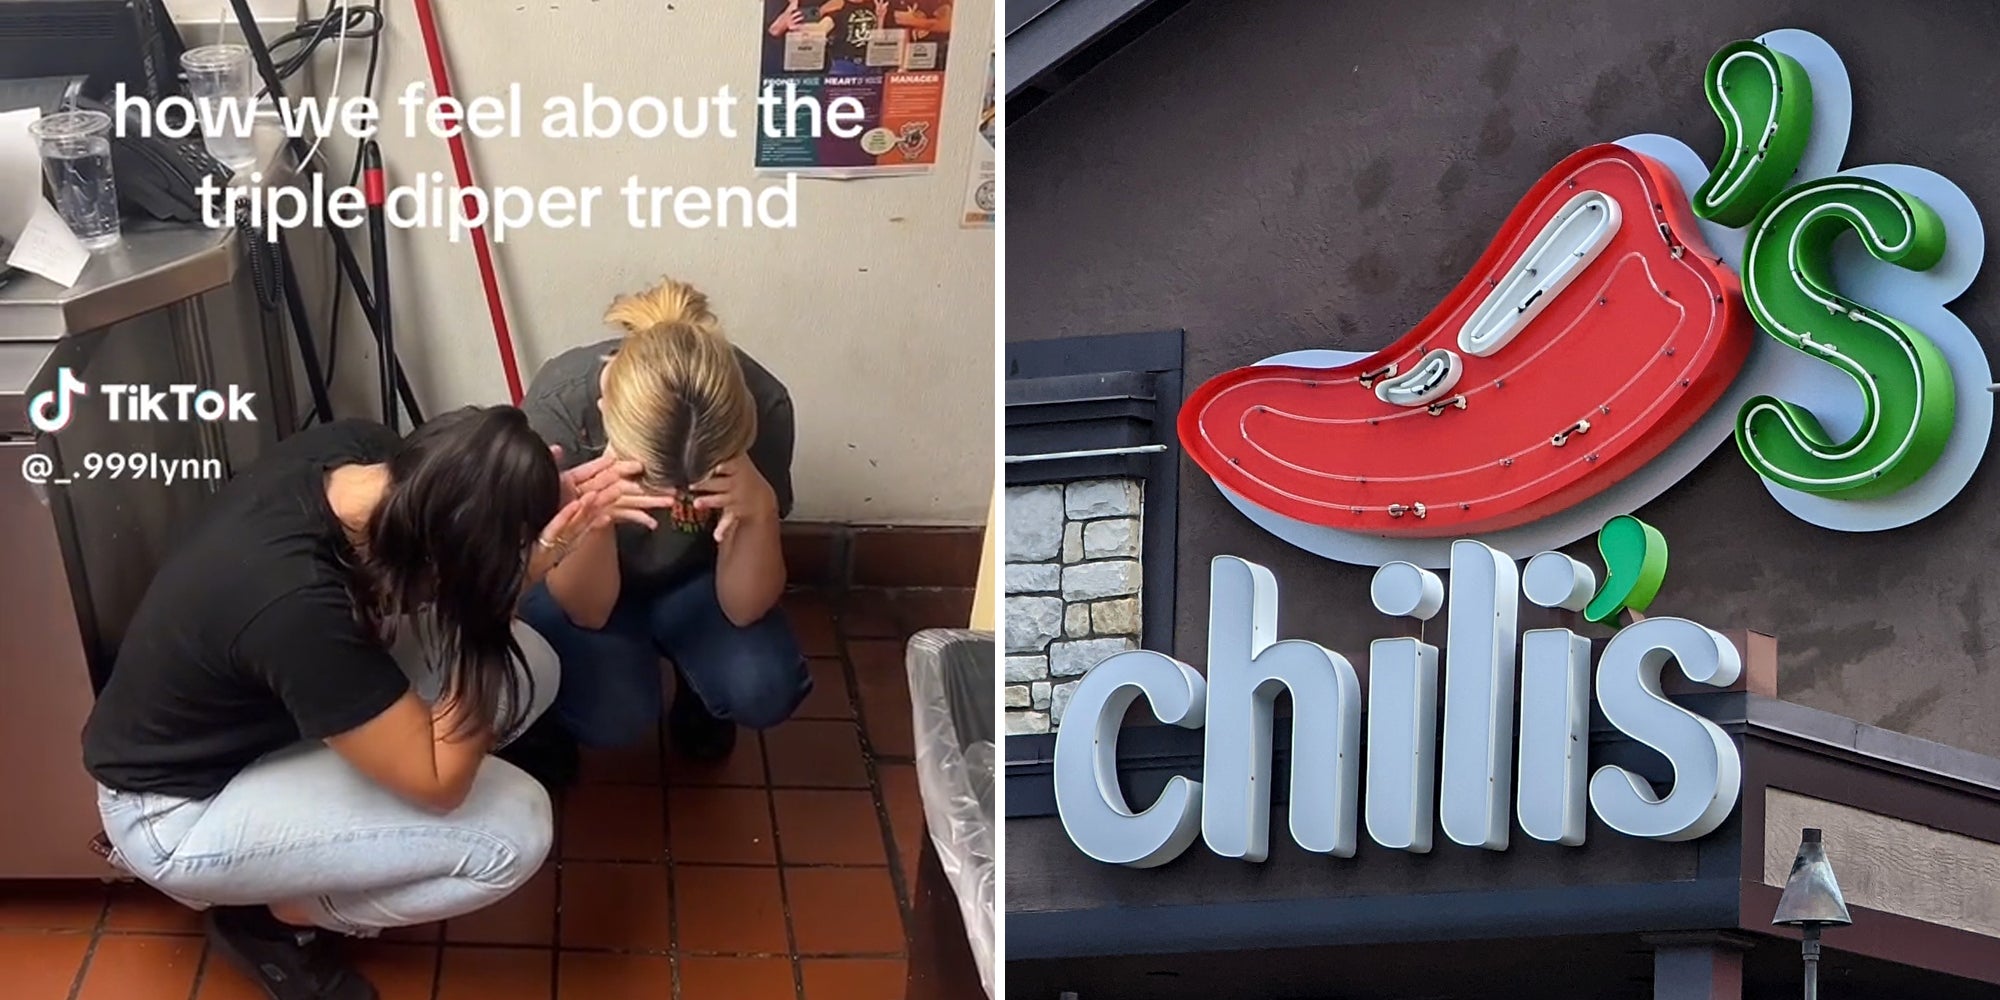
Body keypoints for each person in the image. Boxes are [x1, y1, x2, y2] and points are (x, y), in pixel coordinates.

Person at [82, 407, 662, 1000]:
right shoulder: (295, 605)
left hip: (267, 718)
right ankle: (273, 919)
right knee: (513, 833)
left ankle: (343, 817)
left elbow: (411, 581)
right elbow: (439, 783)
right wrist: (495, 598)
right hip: (180, 808)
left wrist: (521, 506)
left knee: (531, 669)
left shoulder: (365, 457)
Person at [517, 276, 808, 771]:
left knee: (765, 687)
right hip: (593, 588)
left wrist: (758, 510)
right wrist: (594, 519)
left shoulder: (759, 402)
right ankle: (569, 705)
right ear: (608, 410)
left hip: (697, 581)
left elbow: (744, 609)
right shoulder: (561, 408)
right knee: (613, 718)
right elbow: (587, 611)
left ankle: (699, 692)